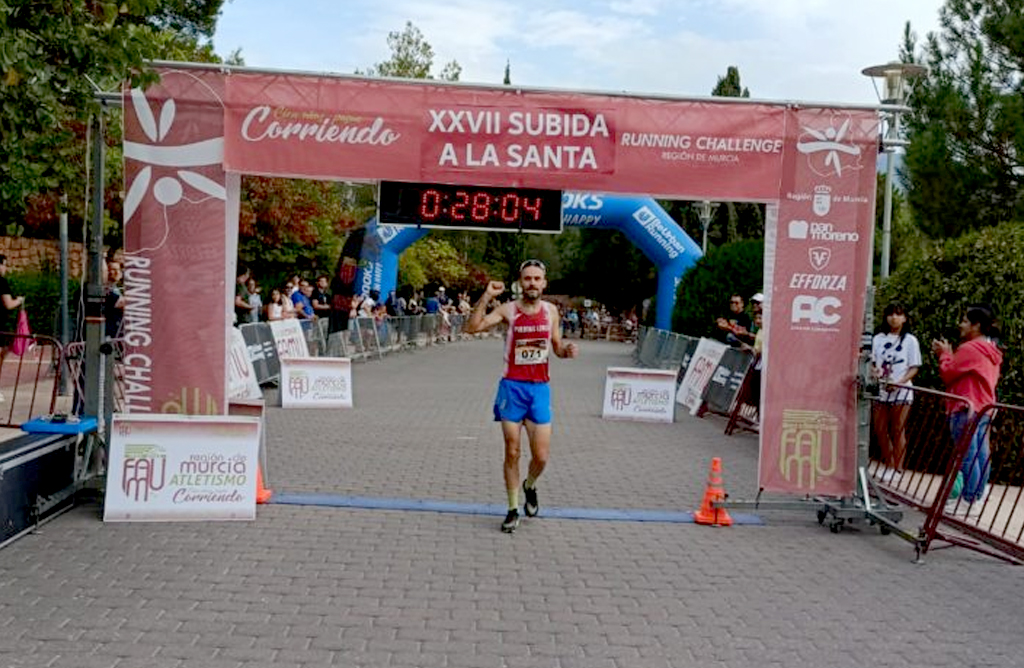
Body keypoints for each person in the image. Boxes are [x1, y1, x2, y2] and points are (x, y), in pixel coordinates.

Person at [465, 259, 579, 533]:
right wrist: (487, 296)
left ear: (544, 283)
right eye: (527, 278)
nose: (532, 283)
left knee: (540, 457)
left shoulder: (551, 312)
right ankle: (513, 509)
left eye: (537, 279)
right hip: (512, 388)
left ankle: (530, 485)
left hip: (539, 390)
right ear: (520, 282)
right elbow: (472, 327)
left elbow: (556, 347)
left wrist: (567, 351)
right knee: (512, 451)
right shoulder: (508, 310)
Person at [932, 304, 1003, 513]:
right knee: (980, 455)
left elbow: (948, 373)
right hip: (983, 407)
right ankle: (975, 498)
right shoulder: (992, 350)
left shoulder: (970, 349)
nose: (960, 325)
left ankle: (969, 499)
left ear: (976, 325)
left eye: (964, 320)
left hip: (965, 407)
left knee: (967, 455)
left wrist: (945, 354)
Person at [871, 302, 922, 475]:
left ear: (905, 318)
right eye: (891, 314)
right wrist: (875, 373)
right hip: (881, 389)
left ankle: (898, 468)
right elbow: (871, 362)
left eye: (898, 314)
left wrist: (900, 382)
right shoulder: (878, 338)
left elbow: (914, 366)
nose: (894, 318)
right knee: (880, 428)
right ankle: (889, 463)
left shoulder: (910, 341)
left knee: (898, 428)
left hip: (902, 390)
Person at [0, 254, 26, 401]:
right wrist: (19, 300)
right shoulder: (2, 282)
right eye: (4, 265)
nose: (5, 268)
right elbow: (8, 304)